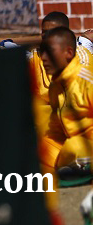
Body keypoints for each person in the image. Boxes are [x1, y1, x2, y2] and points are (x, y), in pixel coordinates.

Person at [38, 27, 93, 175]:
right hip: (70, 144)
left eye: (49, 52)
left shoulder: (86, 82)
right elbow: (56, 130)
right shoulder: (56, 85)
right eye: (41, 52)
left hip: (85, 146)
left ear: (68, 53)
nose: (43, 58)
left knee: (74, 147)